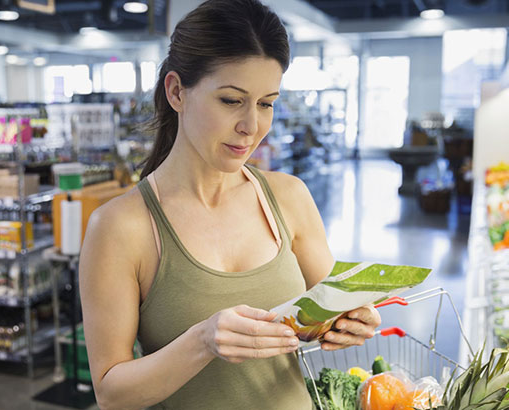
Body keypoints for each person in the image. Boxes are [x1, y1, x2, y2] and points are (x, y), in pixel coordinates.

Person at [79, 0, 381, 408]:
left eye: (266, 103)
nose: (251, 126)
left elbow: (324, 314)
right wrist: (204, 341)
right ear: (176, 91)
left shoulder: (288, 197)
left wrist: (349, 322)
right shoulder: (120, 227)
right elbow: (112, 393)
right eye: (231, 100)